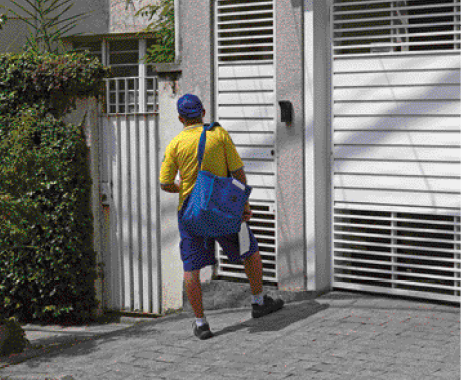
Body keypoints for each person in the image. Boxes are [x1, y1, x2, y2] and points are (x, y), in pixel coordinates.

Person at [159, 94, 284, 340]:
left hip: (190, 214)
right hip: (223, 210)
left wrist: (181, 187)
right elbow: (238, 173)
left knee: (191, 268)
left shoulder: (175, 144)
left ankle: (201, 323)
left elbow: (164, 183)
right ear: (203, 113)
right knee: (250, 251)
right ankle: (258, 302)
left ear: (180, 118)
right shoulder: (218, 135)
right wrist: (244, 204)